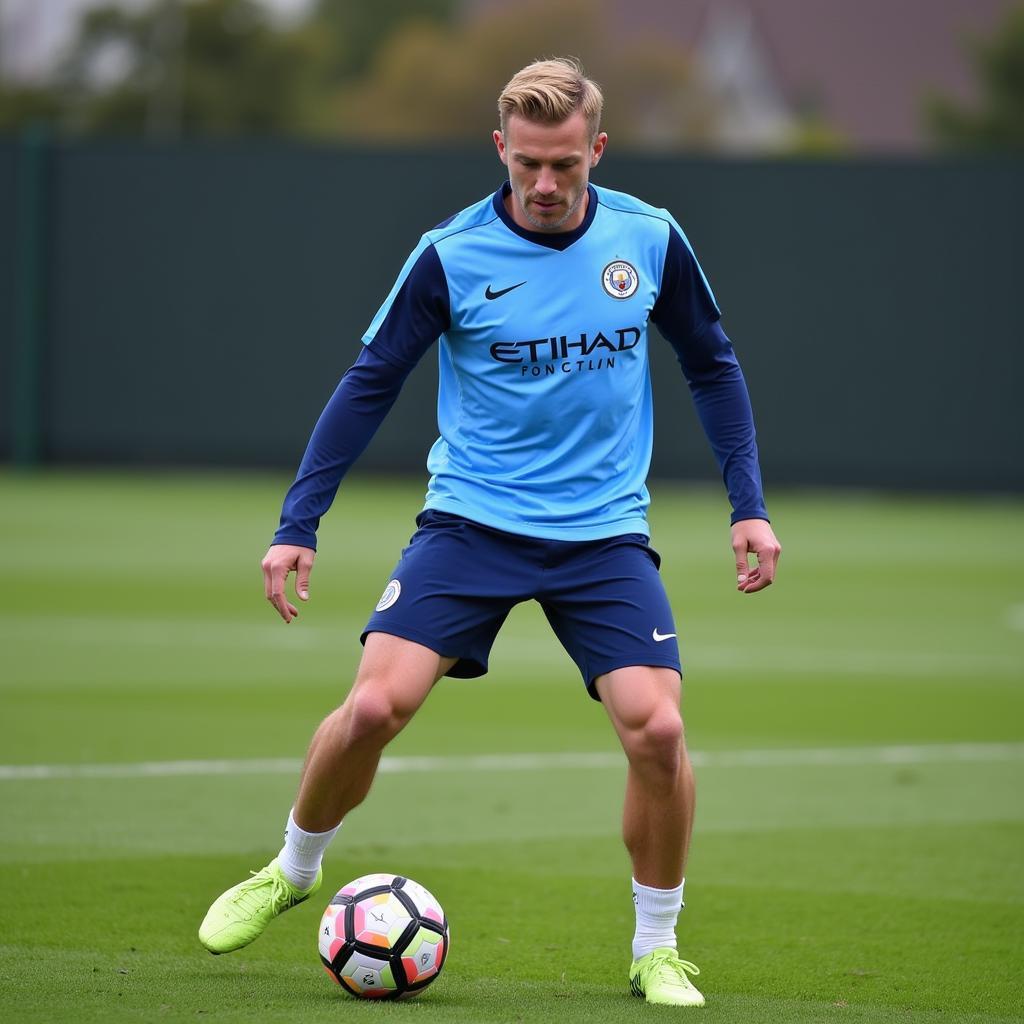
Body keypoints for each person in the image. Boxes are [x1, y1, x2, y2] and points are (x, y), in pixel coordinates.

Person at [198, 57, 780, 1009]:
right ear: (500, 148)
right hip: (471, 522)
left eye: (566, 166)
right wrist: (296, 524)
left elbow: (712, 366)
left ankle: (656, 947)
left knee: (660, 729)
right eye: (528, 167)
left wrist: (747, 504)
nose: (546, 187)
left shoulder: (651, 239)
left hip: (600, 536)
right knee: (377, 708)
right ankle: (293, 870)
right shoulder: (450, 253)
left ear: (596, 150)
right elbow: (369, 382)